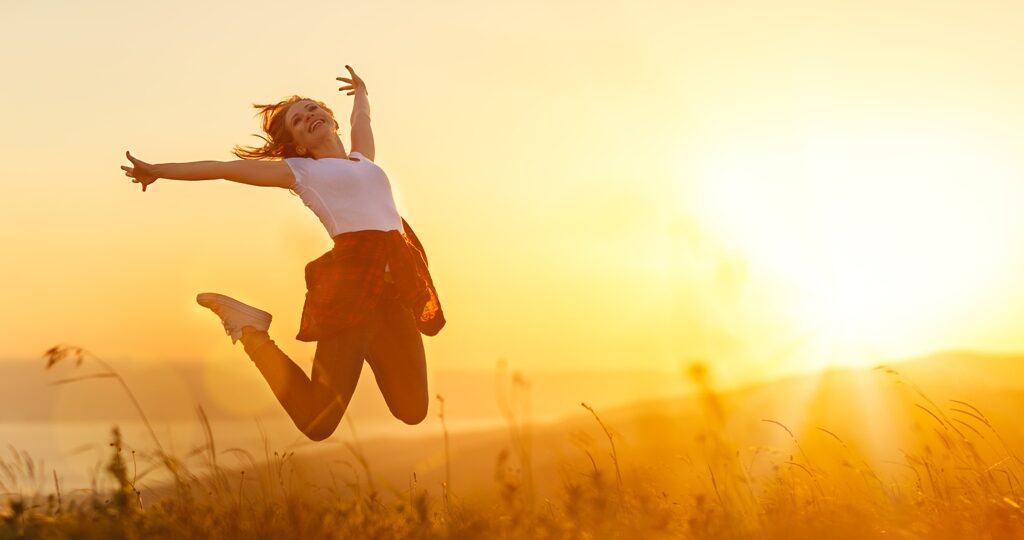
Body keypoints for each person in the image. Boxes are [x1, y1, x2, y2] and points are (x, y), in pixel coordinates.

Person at [121, 66, 445, 441]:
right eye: (298, 119)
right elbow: (222, 169)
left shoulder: (365, 162)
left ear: (332, 121)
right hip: (352, 295)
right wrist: (158, 170)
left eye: (312, 109)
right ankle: (252, 332)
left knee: (412, 410)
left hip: (397, 296)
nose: (308, 115)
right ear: (299, 145)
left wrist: (361, 92)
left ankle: (367, 342)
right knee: (318, 422)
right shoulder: (302, 172)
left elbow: (363, 121)